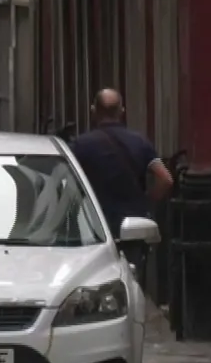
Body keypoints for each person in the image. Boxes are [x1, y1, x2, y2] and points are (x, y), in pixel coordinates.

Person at [69, 89, 174, 255]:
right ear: (121, 111)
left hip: (94, 225)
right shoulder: (140, 142)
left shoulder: (81, 145)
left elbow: (68, 185)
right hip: (133, 224)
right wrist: (146, 200)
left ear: (93, 111)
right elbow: (165, 179)